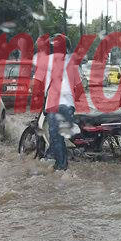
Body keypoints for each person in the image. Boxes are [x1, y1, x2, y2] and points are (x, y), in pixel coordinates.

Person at [36, 34, 80, 171]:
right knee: (57, 134)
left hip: (55, 104)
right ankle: (53, 157)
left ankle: (61, 167)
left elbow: (37, 82)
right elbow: (78, 86)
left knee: (55, 135)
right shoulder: (72, 63)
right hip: (69, 105)